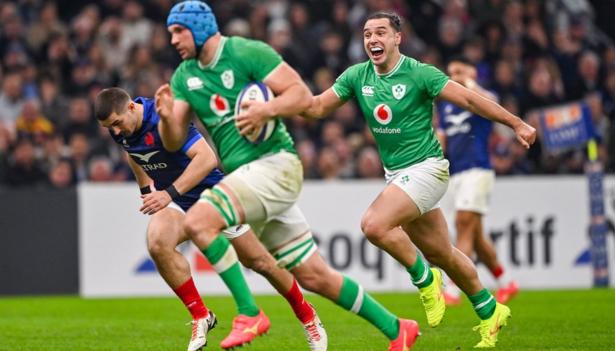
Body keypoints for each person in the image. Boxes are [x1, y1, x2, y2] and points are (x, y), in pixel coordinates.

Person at [156, 2, 419, 350]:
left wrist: (267, 110)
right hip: (248, 178)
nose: (172, 39)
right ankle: (397, 328)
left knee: (199, 223)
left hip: (276, 164)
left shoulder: (246, 51)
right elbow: (173, 141)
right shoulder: (183, 77)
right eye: (170, 32)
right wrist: (165, 119)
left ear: (200, 26)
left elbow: (299, 94)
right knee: (314, 276)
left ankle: (249, 313)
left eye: (179, 30)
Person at [296, 12, 536, 348]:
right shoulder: (356, 76)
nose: (372, 40)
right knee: (444, 253)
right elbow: (318, 107)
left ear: (397, 38)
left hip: (427, 169)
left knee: (373, 224)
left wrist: (516, 124)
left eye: (381, 32)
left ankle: (425, 279)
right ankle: (490, 311)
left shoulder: (419, 73)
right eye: (367, 34)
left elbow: (468, 99)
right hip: (399, 174)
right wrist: (279, 103)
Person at [94, 87, 325, 351]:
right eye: (108, 127)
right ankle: (201, 315)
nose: (114, 131)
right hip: (179, 203)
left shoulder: (165, 119)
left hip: (215, 198)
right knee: (157, 242)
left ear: (132, 108)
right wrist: (147, 190)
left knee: (260, 262)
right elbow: (135, 154)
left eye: (116, 123)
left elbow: (206, 159)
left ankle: (307, 315)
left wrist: (168, 193)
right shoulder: (123, 129)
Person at [437, 58, 519, 306]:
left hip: (478, 170)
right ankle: (506, 283)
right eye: (450, 73)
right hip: (457, 172)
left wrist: (469, 81)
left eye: (458, 71)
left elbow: (492, 105)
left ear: (471, 72)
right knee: (477, 235)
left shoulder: (481, 97)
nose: (454, 76)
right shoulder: (446, 105)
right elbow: (442, 136)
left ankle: (453, 288)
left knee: (463, 224)